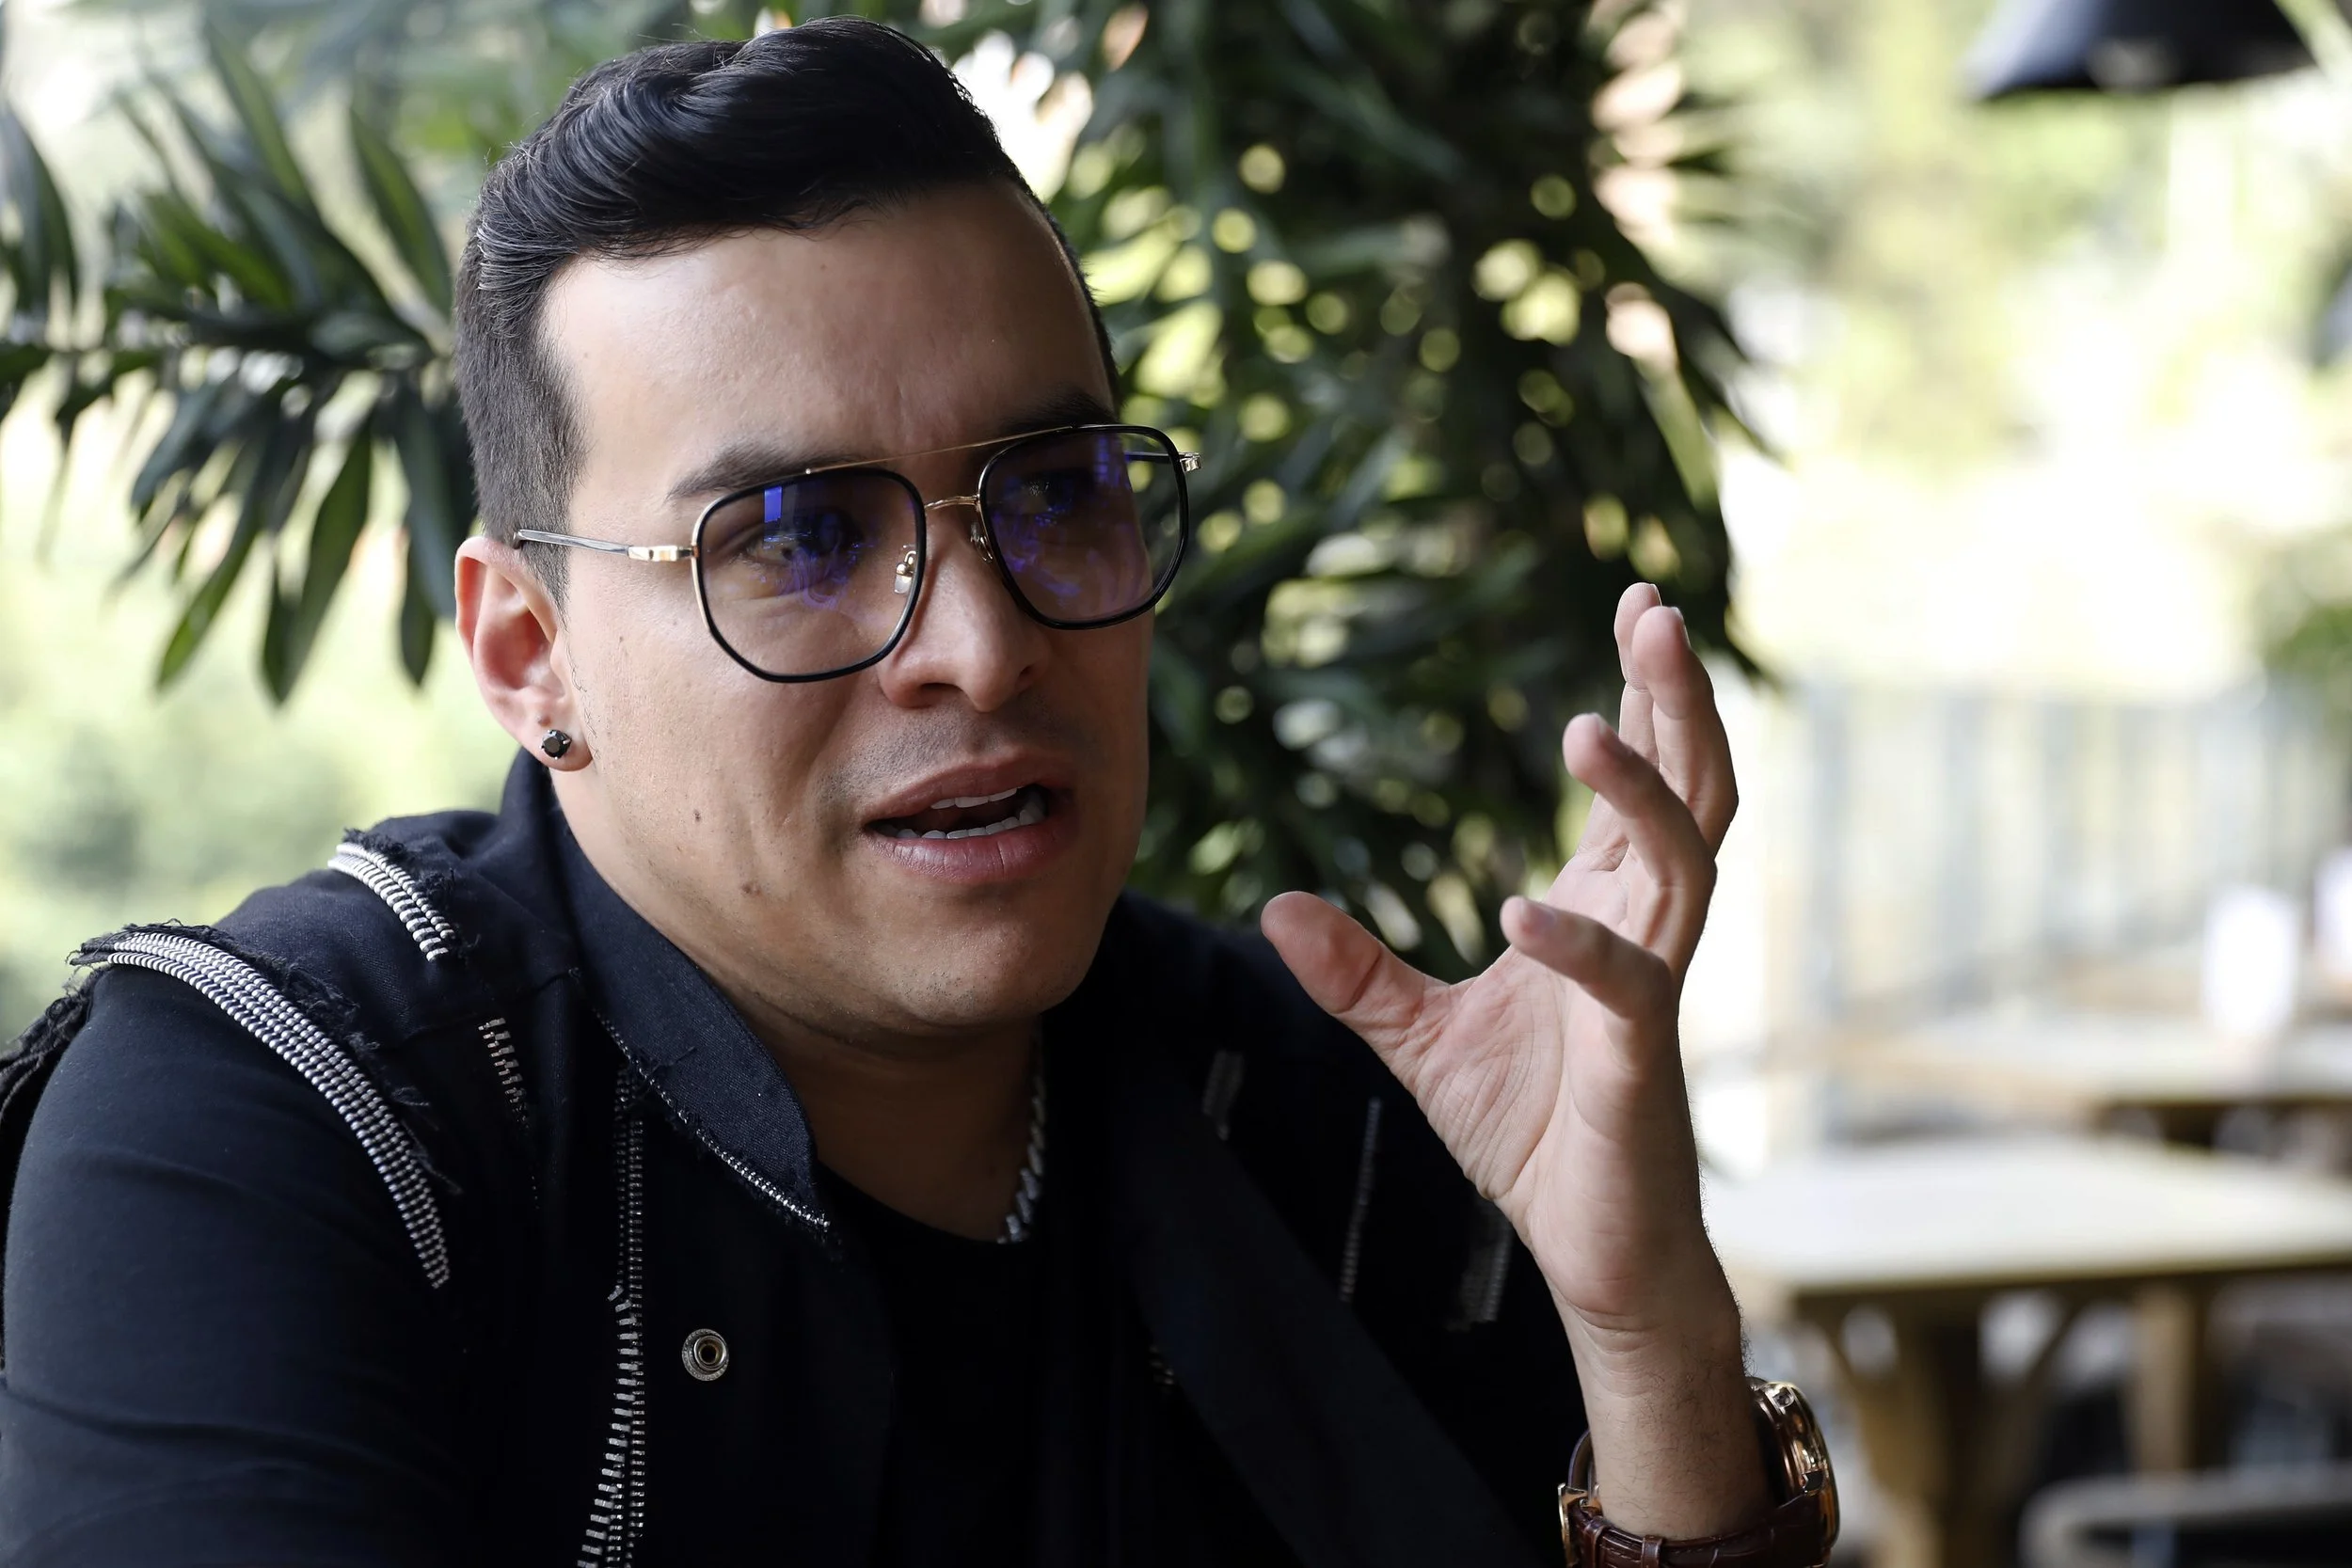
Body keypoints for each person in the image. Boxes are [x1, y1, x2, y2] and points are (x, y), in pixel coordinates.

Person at [0, 19, 1833, 1568]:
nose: (981, 641)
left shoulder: (1309, 1109)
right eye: (795, 536)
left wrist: (1643, 1334)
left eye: (1053, 491)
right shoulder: (293, 1123)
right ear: (529, 649)